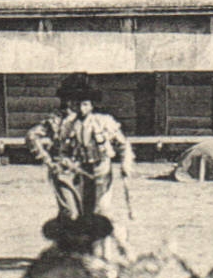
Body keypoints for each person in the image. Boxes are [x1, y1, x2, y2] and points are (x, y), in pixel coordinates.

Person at [26, 74, 136, 226]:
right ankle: (68, 246)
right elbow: (32, 136)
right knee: (70, 214)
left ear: (91, 105)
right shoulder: (59, 121)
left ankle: (95, 248)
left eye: (84, 104)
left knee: (99, 214)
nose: (81, 109)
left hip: (99, 171)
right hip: (68, 171)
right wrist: (48, 161)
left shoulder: (103, 121)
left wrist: (126, 164)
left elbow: (123, 145)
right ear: (69, 103)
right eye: (76, 104)